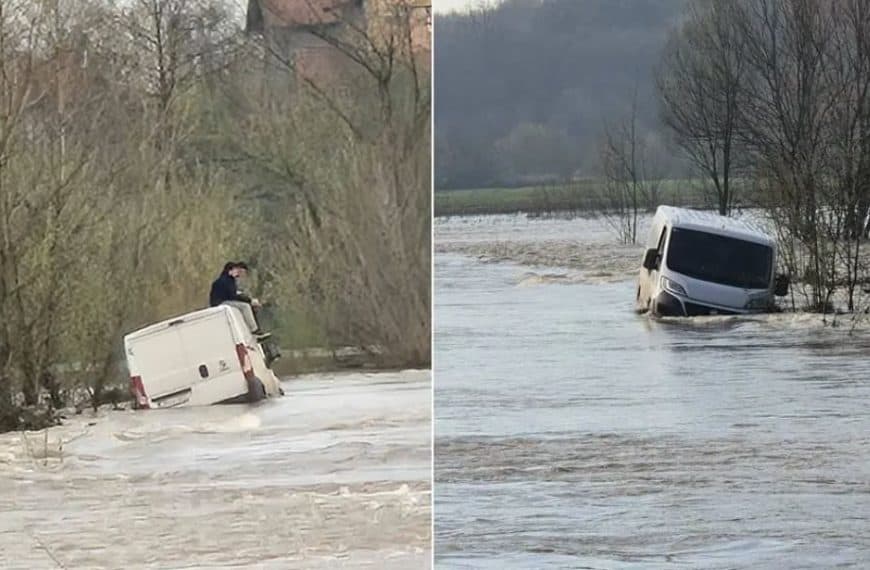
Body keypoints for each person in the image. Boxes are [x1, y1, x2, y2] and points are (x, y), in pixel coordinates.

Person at [209, 261, 268, 338]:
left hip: (224, 300)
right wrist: (249, 300)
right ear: (230, 270)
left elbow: (233, 294)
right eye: (238, 271)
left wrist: (247, 299)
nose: (239, 274)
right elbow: (233, 295)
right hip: (220, 302)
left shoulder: (228, 280)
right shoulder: (225, 280)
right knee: (245, 306)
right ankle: (254, 330)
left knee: (248, 306)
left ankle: (254, 327)